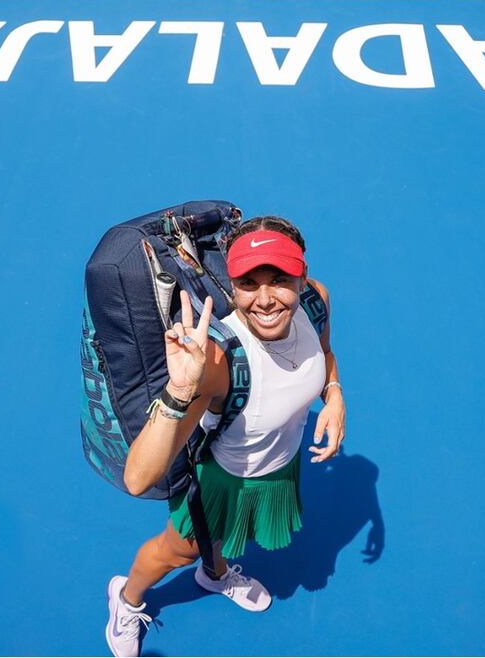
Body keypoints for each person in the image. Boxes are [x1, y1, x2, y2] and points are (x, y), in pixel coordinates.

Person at [104, 216, 346, 657]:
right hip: (220, 480)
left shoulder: (316, 301)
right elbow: (137, 479)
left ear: (302, 276)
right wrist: (181, 390)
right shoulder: (219, 359)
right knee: (176, 552)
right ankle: (126, 597)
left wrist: (333, 394)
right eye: (248, 283)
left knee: (222, 541)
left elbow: (325, 353)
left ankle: (214, 575)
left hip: (276, 468)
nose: (265, 299)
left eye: (279, 279)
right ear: (232, 284)